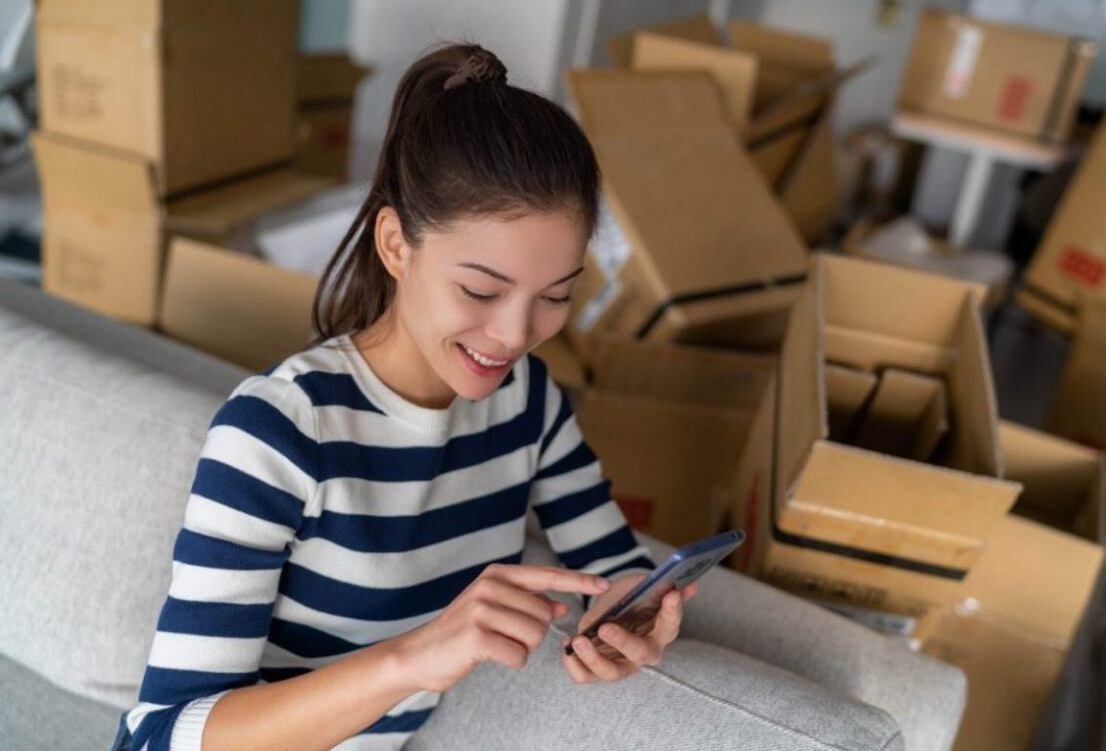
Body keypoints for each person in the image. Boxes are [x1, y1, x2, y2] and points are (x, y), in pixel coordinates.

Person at [114, 44, 698, 751]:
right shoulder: (279, 434)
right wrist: (417, 656)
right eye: (480, 290)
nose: (516, 335)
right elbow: (159, 737)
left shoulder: (528, 404)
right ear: (396, 244)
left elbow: (607, 567)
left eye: (556, 297)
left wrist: (631, 618)